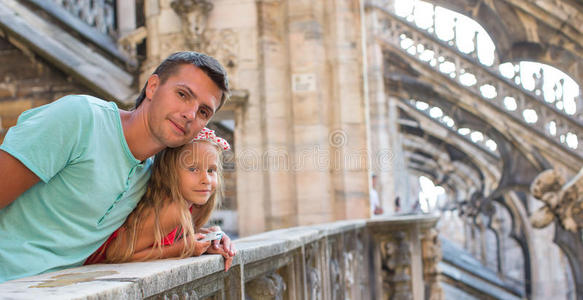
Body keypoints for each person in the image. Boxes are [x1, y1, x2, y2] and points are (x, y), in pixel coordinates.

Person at [0, 51, 234, 282]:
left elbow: (126, 246)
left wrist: (211, 237)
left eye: (203, 112)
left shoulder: (156, 173)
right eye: (182, 94)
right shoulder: (81, 119)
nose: (190, 114)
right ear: (152, 87)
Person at [86, 128, 234, 270]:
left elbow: (163, 238)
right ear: (170, 171)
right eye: (193, 169)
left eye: (211, 170)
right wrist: (182, 249)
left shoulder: (191, 205)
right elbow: (115, 253)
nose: (206, 179)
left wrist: (209, 237)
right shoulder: (171, 209)